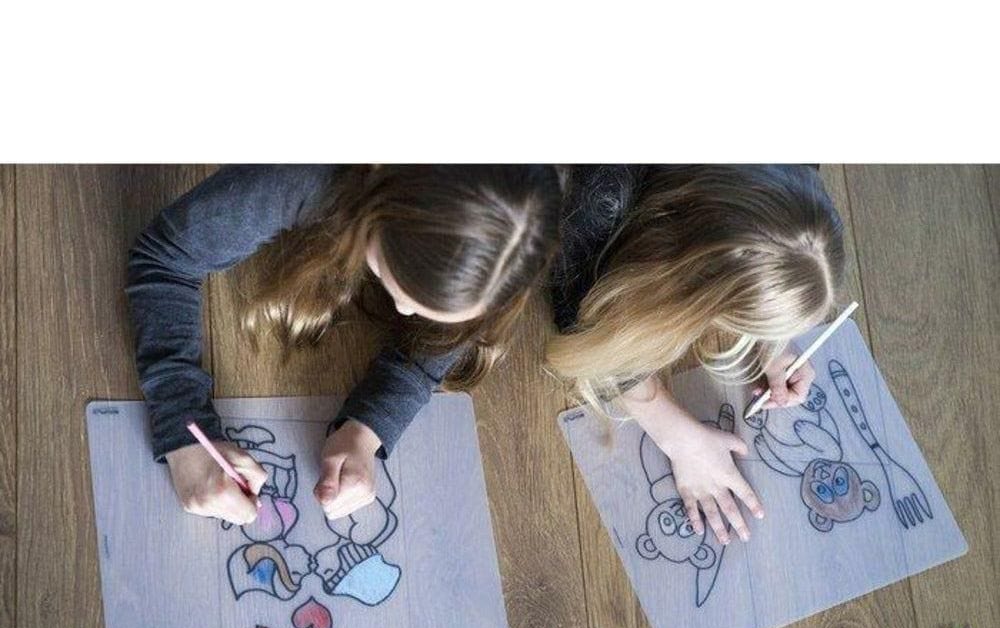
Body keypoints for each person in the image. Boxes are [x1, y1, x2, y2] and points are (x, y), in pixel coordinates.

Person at [127, 164, 563, 524]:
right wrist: (181, 428)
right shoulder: (302, 176)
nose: (404, 313)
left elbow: (450, 335)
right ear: (375, 207)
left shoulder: (517, 225)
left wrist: (370, 426)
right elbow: (164, 258)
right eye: (397, 287)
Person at [547, 164, 845, 545]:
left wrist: (774, 341)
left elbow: (777, 239)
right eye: (742, 319)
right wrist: (677, 437)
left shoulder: (792, 165)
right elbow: (585, 330)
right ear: (692, 287)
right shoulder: (601, 201)